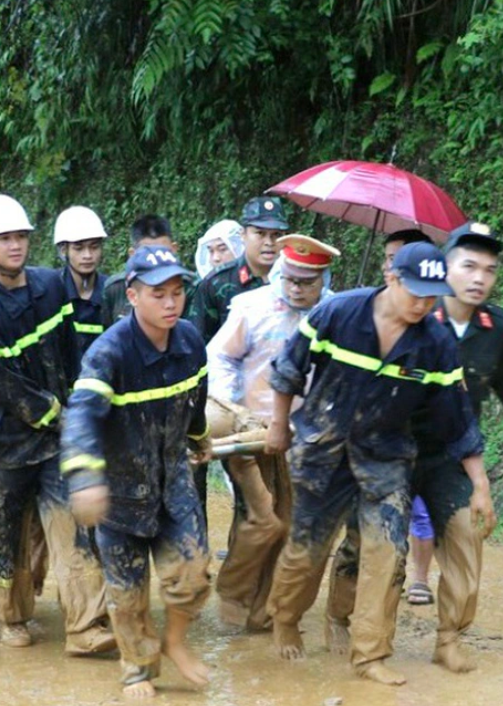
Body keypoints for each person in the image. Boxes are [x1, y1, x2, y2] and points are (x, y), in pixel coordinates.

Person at [327, 222, 503, 673]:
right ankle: (344, 619)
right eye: (468, 265)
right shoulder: (407, 315)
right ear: (443, 266)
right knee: (370, 542)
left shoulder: (495, 328)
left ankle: (449, 637)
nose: (479, 278)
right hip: (389, 450)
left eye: (488, 270)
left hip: (448, 454)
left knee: (468, 534)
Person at [264, 242, 489, 686]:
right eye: (415, 292)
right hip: (323, 451)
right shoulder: (340, 313)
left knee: (387, 550)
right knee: (306, 552)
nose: (424, 303)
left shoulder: (436, 342)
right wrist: (277, 425)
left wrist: (478, 483)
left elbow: (457, 418)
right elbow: (289, 368)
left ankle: (370, 654)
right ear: (392, 278)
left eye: (433, 294)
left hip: (386, 458)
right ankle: (285, 617)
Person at [62, 245, 214, 697]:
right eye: (157, 294)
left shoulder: (190, 341)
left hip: (174, 483)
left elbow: (196, 400)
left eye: (177, 293)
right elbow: (81, 416)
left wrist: (199, 436)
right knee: (127, 593)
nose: (170, 303)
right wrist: (86, 478)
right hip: (120, 492)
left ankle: (175, 640)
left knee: (193, 571)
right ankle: (138, 668)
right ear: (132, 295)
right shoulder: (108, 353)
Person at [0, 193, 114, 653]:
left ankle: (86, 627)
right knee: (5, 537)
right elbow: (9, 390)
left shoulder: (52, 287)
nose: (15, 246)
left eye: (21, 237)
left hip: (55, 441)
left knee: (74, 527)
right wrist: (63, 417)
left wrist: (82, 404)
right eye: (4, 238)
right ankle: (12, 618)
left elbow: (71, 351)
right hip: (4, 444)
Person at [207, 235, 339, 631]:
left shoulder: (336, 314)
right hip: (252, 429)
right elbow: (221, 357)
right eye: (291, 279)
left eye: (307, 282)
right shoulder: (252, 307)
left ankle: (268, 610)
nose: (297, 288)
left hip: (307, 437)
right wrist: (234, 409)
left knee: (294, 523)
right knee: (260, 518)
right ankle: (235, 593)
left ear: (323, 279)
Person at [376, 228, 438, 604]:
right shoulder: (356, 312)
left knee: (418, 509)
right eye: (388, 258)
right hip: (366, 434)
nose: (392, 264)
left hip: (414, 433)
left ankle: (417, 578)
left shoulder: (432, 324)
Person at [186, 196, 289, 345]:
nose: (269, 242)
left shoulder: (295, 280)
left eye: (276, 235)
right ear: (243, 235)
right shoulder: (216, 283)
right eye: (260, 233)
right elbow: (198, 344)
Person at [101, 214, 180, 326]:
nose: (156, 261)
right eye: (148, 254)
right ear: (132, 254)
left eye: (162, 252)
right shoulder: (115, 288)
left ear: (174, 250)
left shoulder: (188, 287)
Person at [54, 205, 109, 354]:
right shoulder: (51, 292)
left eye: (94, 247)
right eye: (79, 248)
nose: (88, 255)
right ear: (64, 250)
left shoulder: (112, 291)